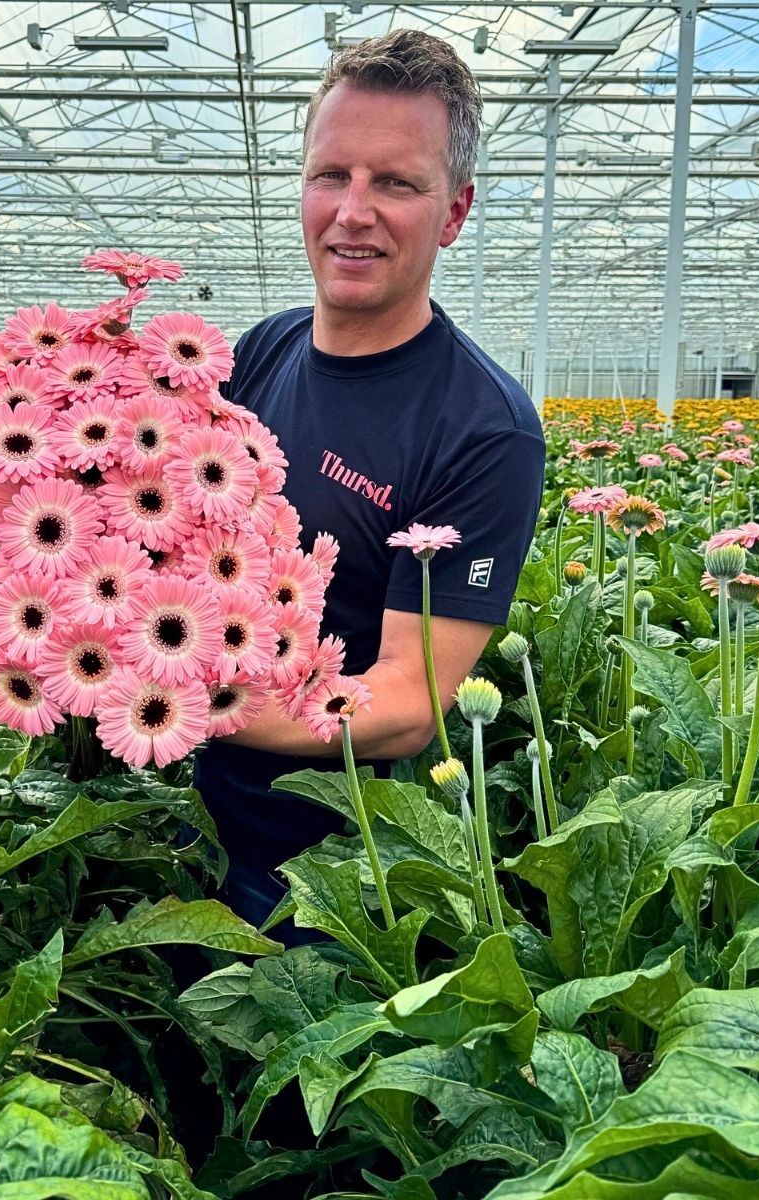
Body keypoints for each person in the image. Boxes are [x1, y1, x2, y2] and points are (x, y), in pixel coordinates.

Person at [193, 28, 546, 938]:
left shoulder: (483, 429)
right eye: (330, 175)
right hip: (179, 824)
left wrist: (173, 698)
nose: (353, 211)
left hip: (328, 883)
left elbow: (406, 706)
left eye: (396, 183)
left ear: (455, 211)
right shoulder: (257, 353)